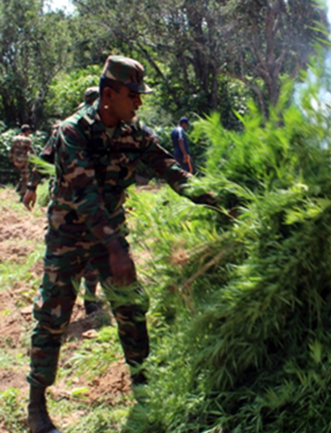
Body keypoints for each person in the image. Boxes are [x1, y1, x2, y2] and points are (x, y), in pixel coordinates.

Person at [26, 55, 216, 433]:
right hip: (70, 234)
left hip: (109, 235)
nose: (140, 102)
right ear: (108, 95)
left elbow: (169, 169)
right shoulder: (72, 131)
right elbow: (86, 197)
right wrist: (116, 251)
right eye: (134, 95)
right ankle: (36, 408)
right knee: (53, 315)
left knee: (132, 308)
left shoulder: (135, 132)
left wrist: (215, 195)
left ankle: (144, 389)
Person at [23, 87, 103, 317]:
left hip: (72, 204)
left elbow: (43, 158)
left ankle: (77, 303)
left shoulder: (75, 127)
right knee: (84, 253)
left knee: (68, 254)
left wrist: (31, 187)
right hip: (75, 204)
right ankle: (79, 302)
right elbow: (45, 157)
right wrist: (31, 187)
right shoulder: (72, 128)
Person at [8, 124, 34, 201]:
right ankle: (23, 194)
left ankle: (19, 188)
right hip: (23, 161)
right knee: (26, 177)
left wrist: (11, 159)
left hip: (15, 160)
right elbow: (31, 150)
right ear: (27, 131)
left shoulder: (14, 139)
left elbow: (11, 150)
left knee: (22, 175)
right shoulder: (28, 140)